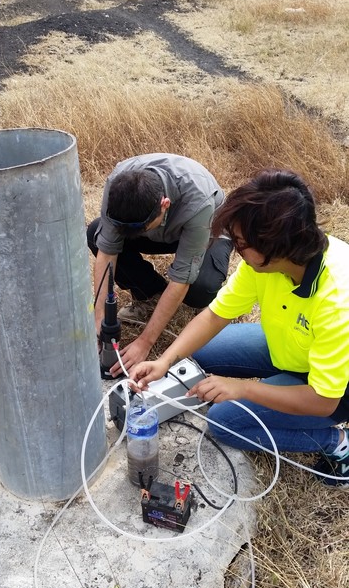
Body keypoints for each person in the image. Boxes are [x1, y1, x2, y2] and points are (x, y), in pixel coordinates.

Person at [131, 169, 349, 486]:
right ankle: (280, 382)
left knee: (224, 423)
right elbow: (214, 316)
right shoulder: (262, 264)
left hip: (334, 390)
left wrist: (243, 388)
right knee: (197, 352)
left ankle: (336, 442)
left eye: (241, 242)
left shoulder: (337, 300)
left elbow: (323, 399)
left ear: (276, 245)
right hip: (290, 344)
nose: (235, 249)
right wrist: (166, 360)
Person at [87, 153, 233, 376]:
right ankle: (150, 294)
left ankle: (194, 298)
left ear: (165, 205)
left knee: (200, 290)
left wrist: (145, 342)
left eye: (142, 227)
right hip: (159, 229)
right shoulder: (117, 183)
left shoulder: (198, 200)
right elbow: (107, 252)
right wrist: (99, 319)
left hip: (207, 231)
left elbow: (181, 278)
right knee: (94, 233)